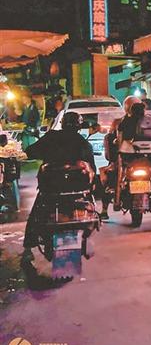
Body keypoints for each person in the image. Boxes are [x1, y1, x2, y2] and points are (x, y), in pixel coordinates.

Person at [21, 112, 96, 265]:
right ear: (79, 126)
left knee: (36, 213)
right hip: (76, 190)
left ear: (62, 123)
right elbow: (92, 168)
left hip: (52, 188)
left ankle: (28, 249)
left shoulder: (51, 137)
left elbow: (30, 151)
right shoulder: (83, 142)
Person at [118, 101, 151, 218]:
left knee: (122, 175)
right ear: (144, 111)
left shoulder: (125, 121)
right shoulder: (150, 121)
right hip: (149, 158)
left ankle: (118, 196)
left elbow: (120, 139)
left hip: (130, 158)